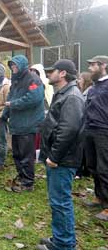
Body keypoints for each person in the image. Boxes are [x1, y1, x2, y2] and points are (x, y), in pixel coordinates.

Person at [36, 59, 84, 250]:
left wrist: (54, 157)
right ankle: (61, 238)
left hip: (63, 160)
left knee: (61, 202)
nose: (49, 74)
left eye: (52, 71)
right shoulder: (63, 93)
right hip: (59, 158)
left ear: (63, 73)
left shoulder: (71, 96)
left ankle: (64, 245)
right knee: (57, 201)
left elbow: (68, 130)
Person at [1, 55, 44, 193]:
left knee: (26, 155)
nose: (13, 68)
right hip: (17, 125)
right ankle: (21, 176)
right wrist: (4, 115)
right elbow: (9, 98)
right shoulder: (16, 80)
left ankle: (28, 182)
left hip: (28, 124)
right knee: (17, 154)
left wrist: (13, 104)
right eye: (12, 65)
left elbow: (34, 98)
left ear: (22, 65)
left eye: (15, 65)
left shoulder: (32, 78)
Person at [83, 55, 108, 221]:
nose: (90, 68)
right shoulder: (93, 88)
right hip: (89, 130)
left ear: (103, 65)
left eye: (93, 65)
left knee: (105, 168)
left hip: (104, 132)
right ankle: (99, 197)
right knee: (92, 166)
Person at [75, 71, 93, 179]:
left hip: (86, 124)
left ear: (86, 80)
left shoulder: (89, 92)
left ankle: (81, 172)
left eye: (80, 79)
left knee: (82, 148)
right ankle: (85, 171)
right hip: (85, 124)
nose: (78, 81)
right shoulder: (82, 92)